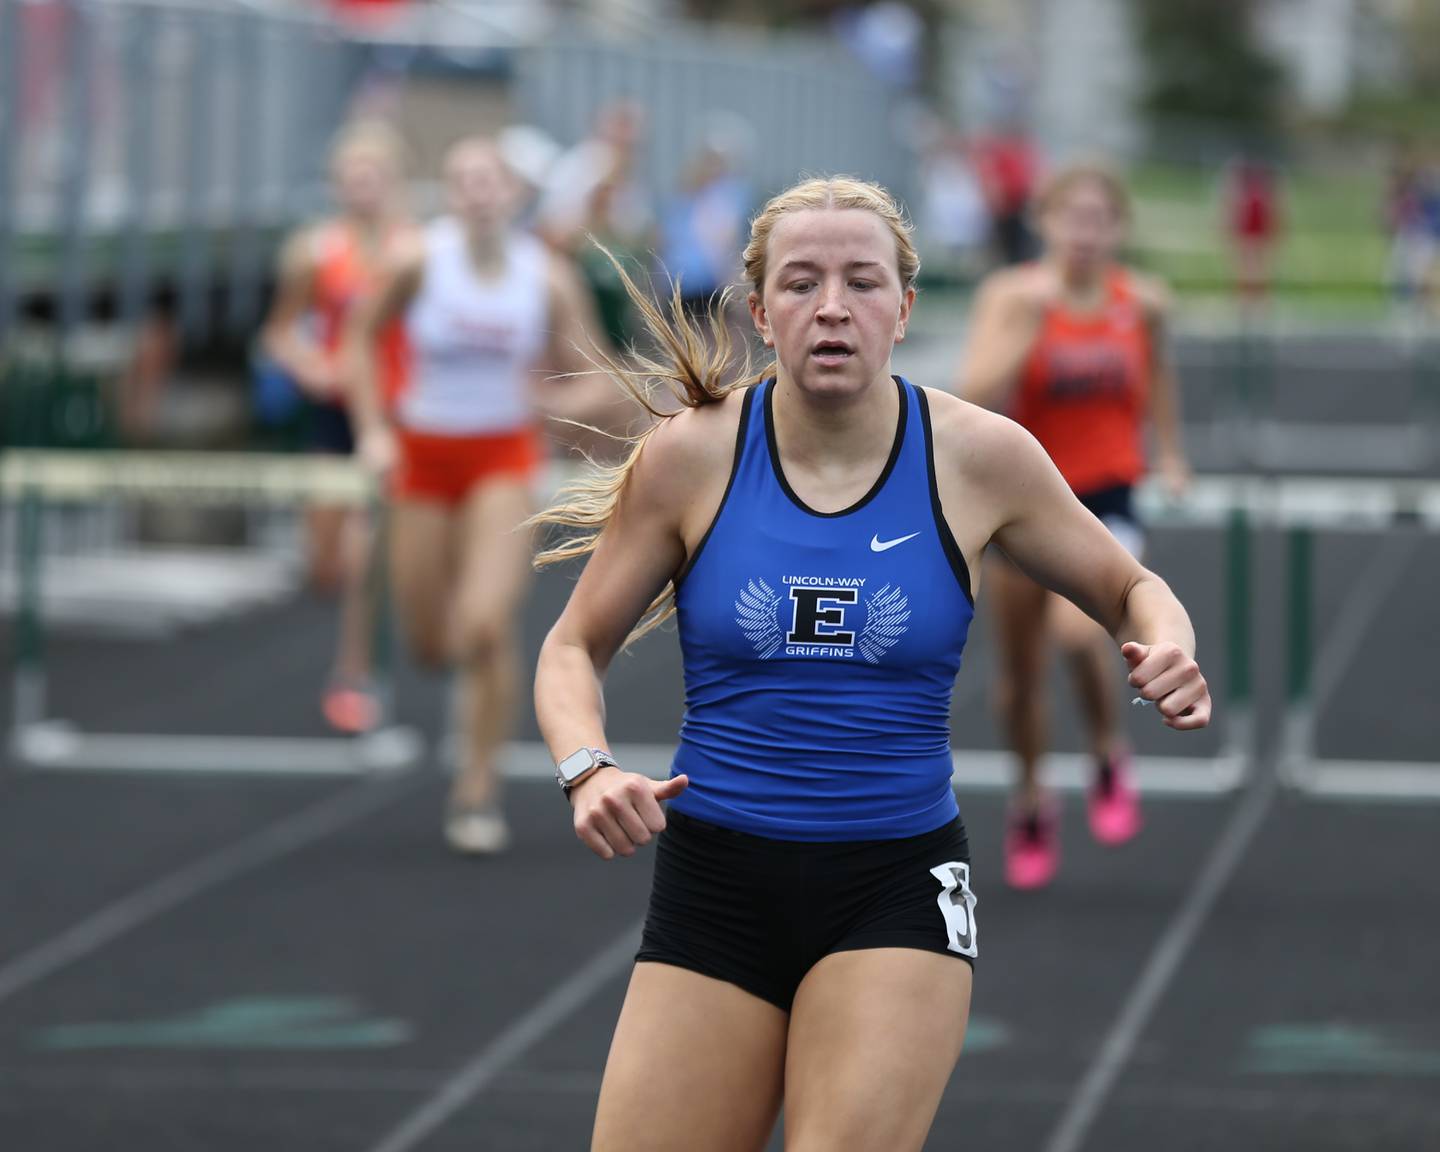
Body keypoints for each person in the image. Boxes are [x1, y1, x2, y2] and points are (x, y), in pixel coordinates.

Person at [532, 175, 1211, 1150]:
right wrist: (585, 767)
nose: (834, 307)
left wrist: (1171, 646)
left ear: (906, 307)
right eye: (802, 284)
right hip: (716, 884)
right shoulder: (693, 456)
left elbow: (1133, 588)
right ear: (762, 313)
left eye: (863, 281)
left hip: (893, 887)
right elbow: (568, 647)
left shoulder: (979, 457)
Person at [347, 135, 628, 855]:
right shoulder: (417, 260)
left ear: (512, 193)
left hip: (502, 455)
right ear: (448, 193)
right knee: (431, 641)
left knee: (484, 625)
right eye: (461, 180)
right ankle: (462, 715)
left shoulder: (546, 276)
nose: (476, 192)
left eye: (488, 180)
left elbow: (600, 373)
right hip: (423, 453)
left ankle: (477, 788)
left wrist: (551, 401)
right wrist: (373, 430)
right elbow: (360, 340)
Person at [956, 162, 1191, 890]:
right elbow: (970, 398)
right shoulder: (1012, 295)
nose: (1084, 235)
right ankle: (1031, 798)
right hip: (1023, 500)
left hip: (1107, 495)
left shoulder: (1142, 302)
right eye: (1071, 219)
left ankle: (1106, 750)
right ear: (1047, 223)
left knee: (1079, 633)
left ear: (1117, 228)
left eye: (1099, 220)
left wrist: (1171, 453)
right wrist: (1023, 336)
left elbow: (1157, 377)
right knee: (1019, 680)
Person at [261, 119, 415, 735]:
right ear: (337, 184)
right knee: (322, 562)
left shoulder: (415, 249)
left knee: (362, 554)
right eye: (352, 178)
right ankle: (353, 651)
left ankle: (353, 674)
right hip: (331, 411)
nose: (363, 189)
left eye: (374, 177)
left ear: (393, 181)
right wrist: (309, 366)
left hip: (392, 413)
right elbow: (277, 330)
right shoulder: (315, 251)